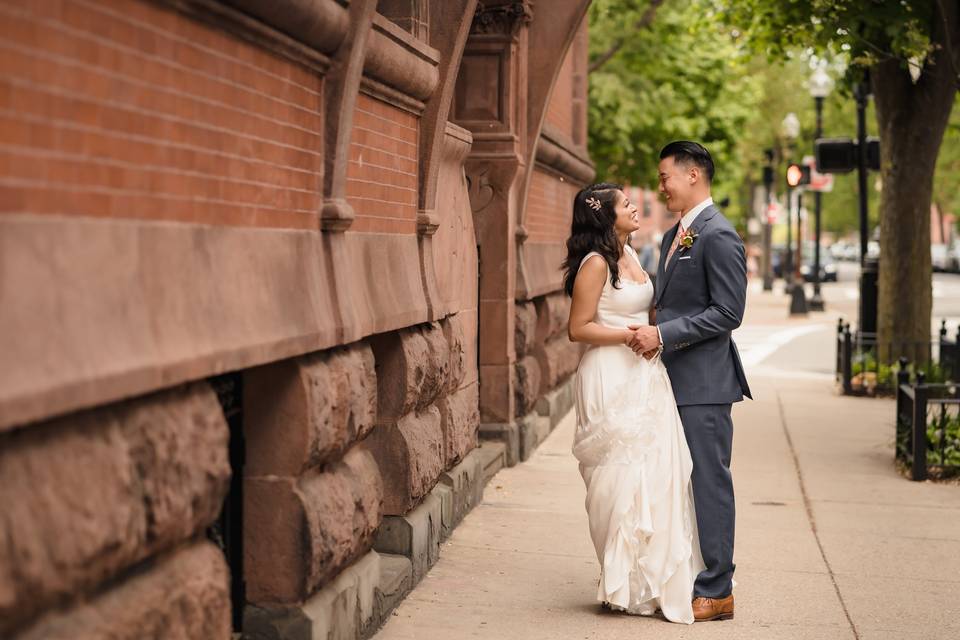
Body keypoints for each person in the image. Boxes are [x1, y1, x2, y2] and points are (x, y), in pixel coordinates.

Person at [565, 183, 704, 624]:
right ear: (606, 216)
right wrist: (630, 336)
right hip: (609, 373)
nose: (635, 207)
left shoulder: (633, 255)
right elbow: (578, 328)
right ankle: (620, 580)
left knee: (657, 473)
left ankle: (649, 578)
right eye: (626, 204)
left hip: (645, 373)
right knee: (618, 479)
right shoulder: (595, 264)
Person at [626, 141, 752, 622]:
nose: (661, 186)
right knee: (674, 482)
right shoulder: (674, 235)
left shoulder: (718, 235)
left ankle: (718, 589)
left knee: (709, 482)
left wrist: (662, 333)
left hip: (704, 385)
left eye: (665, 177)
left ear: (693, 174)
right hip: (669, 380)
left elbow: (727, 312)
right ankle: (682, 575)